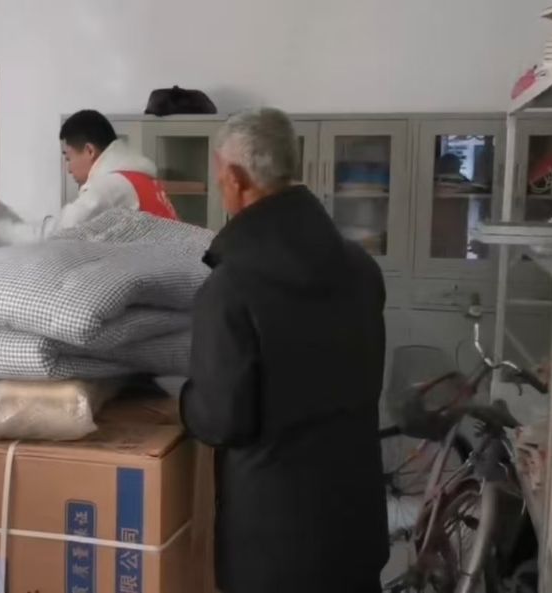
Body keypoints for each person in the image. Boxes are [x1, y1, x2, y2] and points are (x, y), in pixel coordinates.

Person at [180, 108, 389, 593]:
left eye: (219, 178)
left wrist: (181, 400)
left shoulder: (231, 287)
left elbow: (221, 421)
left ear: (236, 179)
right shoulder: (360, 267)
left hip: (275, 546)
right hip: (355, 525)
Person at [54, 109, 178, 230]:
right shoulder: (137, 177)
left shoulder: (113, 184)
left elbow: (66, 227)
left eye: (69, 158)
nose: (69, 169)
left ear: (90, 151)